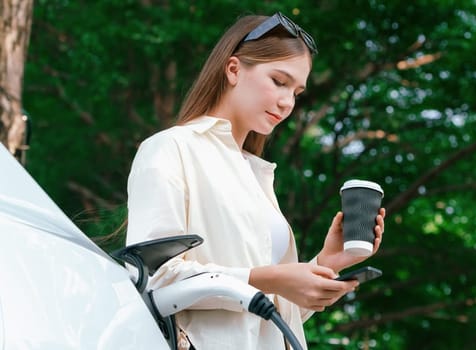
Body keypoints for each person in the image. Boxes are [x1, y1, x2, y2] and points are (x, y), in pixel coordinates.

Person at [125, 12, 385, 350]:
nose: (287, 102)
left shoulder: (256, 173)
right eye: (279, 81)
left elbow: (267, 319)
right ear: (233, 69)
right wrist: (269, 279)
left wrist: (325, 264)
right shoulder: (171, 148)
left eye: (296, 91)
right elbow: (152, 278)